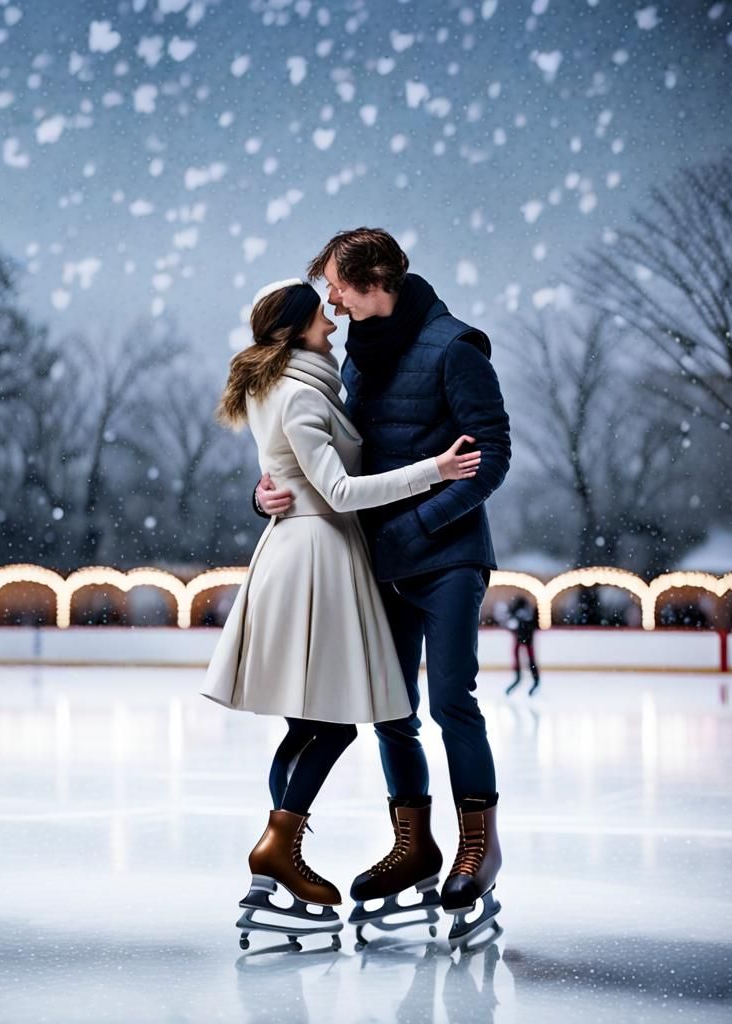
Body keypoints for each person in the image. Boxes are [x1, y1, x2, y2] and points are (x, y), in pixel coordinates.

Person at [202, 277, 481, 950]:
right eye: (320, 316)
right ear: (296, 330)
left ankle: (277, 853)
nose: (332, 322)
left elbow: (289, 472)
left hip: (300, 550)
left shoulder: (284, 385)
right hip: (317, 559)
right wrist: (435, 471)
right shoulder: (300, 393)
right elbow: (339, 490)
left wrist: (265, 495)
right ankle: (279, 846)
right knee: (330, 725)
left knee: (306, 724)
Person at [256, 229, 511, 946]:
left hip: (448, 555)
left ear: (373, 280)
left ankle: (478, 847)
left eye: (337, 285)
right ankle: (414, 845)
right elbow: (326, 459)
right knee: (391, 713)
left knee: (452, 700)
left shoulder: (456, 348)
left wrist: (418, 526)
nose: (331, 301)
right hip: (379, 561)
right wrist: (267, 492)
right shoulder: (355, 357)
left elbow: (492, 459)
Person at [505, 595, 541, 696]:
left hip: (523, 639)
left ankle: (520, 678)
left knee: (526, 658)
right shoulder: (528, 613)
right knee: (530, 659)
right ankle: (531, 679)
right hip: (526, 639)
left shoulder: (516, 614)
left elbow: (511, 625)